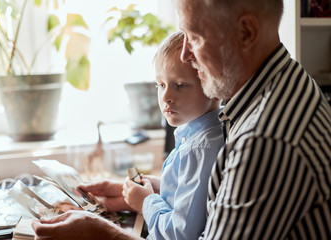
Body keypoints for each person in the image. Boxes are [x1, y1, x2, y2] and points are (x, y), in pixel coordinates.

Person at [32, 0, 331, 239]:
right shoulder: (282, 88)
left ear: (246, 33)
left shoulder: (265, 141)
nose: (186, 54)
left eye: (195, 37)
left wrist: (103, 234)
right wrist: (156, 188)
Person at [122, 31, 223, 240]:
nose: (166, 96)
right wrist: (162, 186)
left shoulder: (200, 150)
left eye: (180, 85)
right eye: (161, 85)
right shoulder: (200, 137)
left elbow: (180, 234)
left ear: (213, 87)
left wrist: (146, 201)